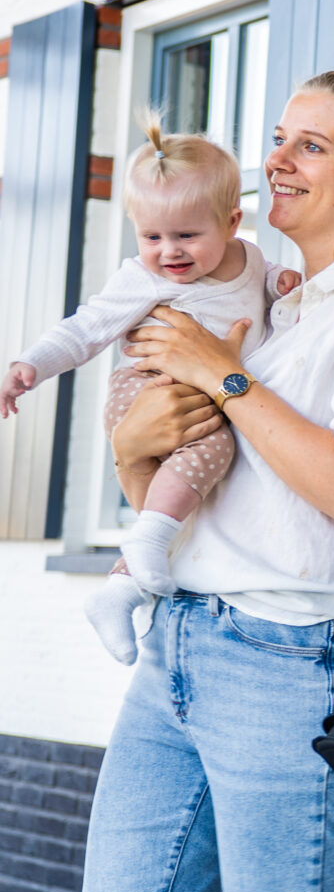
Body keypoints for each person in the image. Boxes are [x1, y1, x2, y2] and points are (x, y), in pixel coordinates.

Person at [78, 68, 334, 892]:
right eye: (281, 139)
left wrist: (221, 374)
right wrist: (128, 451)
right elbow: (186, 485)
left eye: (310, 145)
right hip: (175, 641)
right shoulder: (263, 298)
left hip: (293, 658)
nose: (278, 159)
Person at [1, 119, 296, 664]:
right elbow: (85, 328)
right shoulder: (141, 277)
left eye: (187, 236)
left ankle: (124, 582)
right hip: (142, 387)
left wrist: (281, 282)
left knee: (216, 465)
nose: (168, 252)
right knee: (216, 449)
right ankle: (144, 546)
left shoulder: (251, 259)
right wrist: (30, 367)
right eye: (152, 237)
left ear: (232, 221)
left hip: (211, 394)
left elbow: (267, 276)